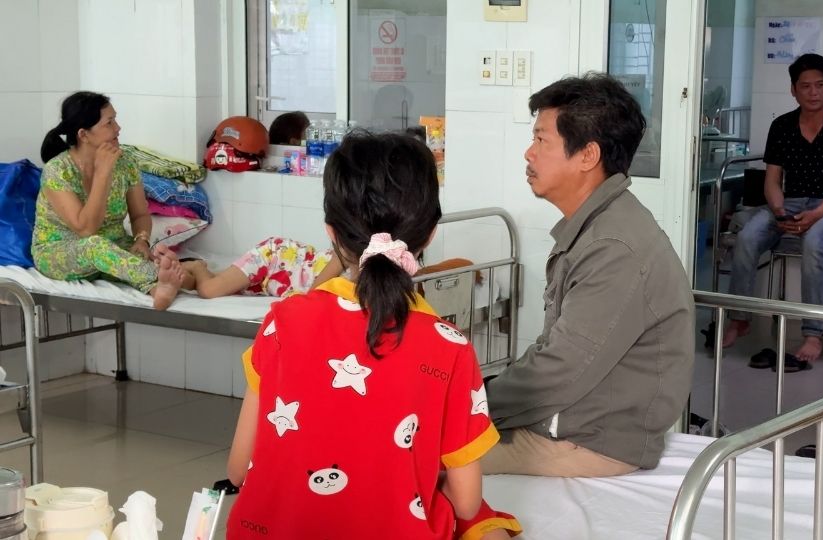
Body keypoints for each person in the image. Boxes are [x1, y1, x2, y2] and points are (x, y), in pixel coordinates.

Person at [225, 132, 520, 539]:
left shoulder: (282, 321)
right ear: (430, 234)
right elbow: (467, 502)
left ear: (331, 232)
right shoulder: (448, 347)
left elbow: (238, 471)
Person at [483, 73, 695, 477]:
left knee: (427, 461)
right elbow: (557, 352)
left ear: (587, 155)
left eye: (542, 140)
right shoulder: (600, 226)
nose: (529, 153)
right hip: (573, 422)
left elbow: (560, 371)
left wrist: (470, 406)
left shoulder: (613, 248)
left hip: (590, 439)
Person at [723, 54, 823, 366]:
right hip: (790, 202)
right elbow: (772, 180)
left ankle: (814, 333)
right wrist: (778, 211)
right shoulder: (782, 126)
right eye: (806, 86)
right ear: (793, 90)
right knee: (747, 237)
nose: (813, 92)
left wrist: (817, 214)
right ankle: (740, 318)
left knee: (814, 242)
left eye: (820, 85)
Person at [33, 91, 183, 310]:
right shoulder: (57, 170)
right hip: (59, 252)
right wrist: (103, 173)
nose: (118, 128)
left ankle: (160, 287)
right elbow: (86, 229)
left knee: (140, 256)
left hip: (111, 247)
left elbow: (140, 214)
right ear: (84, 135)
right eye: (109, 122)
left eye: (115, 120)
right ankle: (161, 279)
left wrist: (141, 240)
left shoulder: (125, 162)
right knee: (96, 247)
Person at [181, 237, 343, 299]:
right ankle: (197, 266)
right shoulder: (346, 255)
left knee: (217, 283)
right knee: (210, 289)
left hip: (278, 279)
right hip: (276, 257)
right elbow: (314, 298)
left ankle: (183, 277)